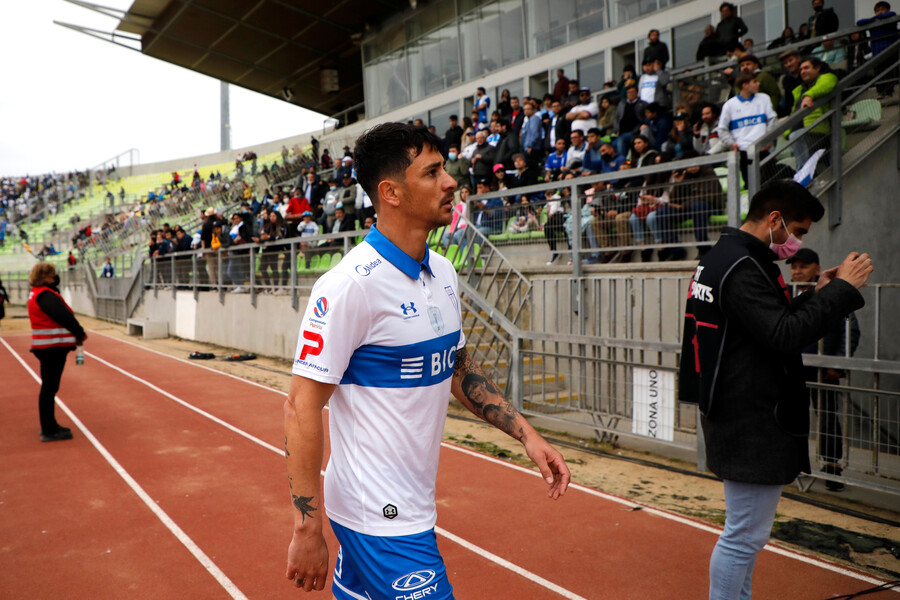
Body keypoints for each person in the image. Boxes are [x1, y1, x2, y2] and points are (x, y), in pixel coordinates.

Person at [283, 122, 570, 596]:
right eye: (432, 172)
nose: (451, 181)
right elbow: (299, 406)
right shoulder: (350, 285)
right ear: (390, 192)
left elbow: (457, 367)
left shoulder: (442, 272)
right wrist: (306, 529)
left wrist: (527, 435)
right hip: (379, 515)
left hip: (412, 502)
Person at [679, 180, 872, 600]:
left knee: (745, 534)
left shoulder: (724, 258)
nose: (797, 244)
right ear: (774, 219)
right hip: (750, 417)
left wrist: (818, 293)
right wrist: (842, 292)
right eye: (798, 231)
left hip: (738, 410)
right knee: (743, 536)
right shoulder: (742, 266)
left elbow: (766, 325)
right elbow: (784, 335)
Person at [788, 248, 860, 492]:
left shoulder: (832, 294)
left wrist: (836, 364)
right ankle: (793, 466)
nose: (797, 271)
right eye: (794, 267)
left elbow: (850, 330)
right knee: (791, 417)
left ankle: (832, 468)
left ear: (817, 269)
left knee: (828, 418)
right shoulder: (786, 295)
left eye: (803, 266)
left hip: (823, 369)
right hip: (793, 368)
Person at [27, 262, 87, 442]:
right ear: (45, 277)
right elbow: (64, 316)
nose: (55, 278)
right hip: (51, 348)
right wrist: (79, 332)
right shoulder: (46, 295)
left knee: (49, 387)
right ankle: (48, 429)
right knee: (49, 388)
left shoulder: (39, 293)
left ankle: (50, 425)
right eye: (53, 275)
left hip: (48, 347)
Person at [717, 71, 778, 184]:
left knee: (771, 183)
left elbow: (772, 120)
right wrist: (731, 143)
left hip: (764, 149)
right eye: (754, 82)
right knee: (751, 185)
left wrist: (768, 139)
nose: (758, 84)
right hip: (744, 152)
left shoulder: (764, 98)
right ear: (745, 85)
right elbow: (722, 129)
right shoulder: (729, 105)